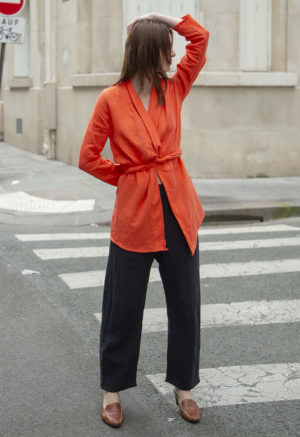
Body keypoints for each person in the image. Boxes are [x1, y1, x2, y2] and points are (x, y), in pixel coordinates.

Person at [79, 11, 210, 428]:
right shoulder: (111, 99)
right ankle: (112, 390)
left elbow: (201, 39)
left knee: (186, 304)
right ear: (147, 52)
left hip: (178, 209)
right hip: (135, 217)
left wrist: (164, 19)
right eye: (166, 48)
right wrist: (128, 176)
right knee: (123, 308)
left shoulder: (175, 88)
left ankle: (184, 386)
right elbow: (87, 157)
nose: (173, 55)